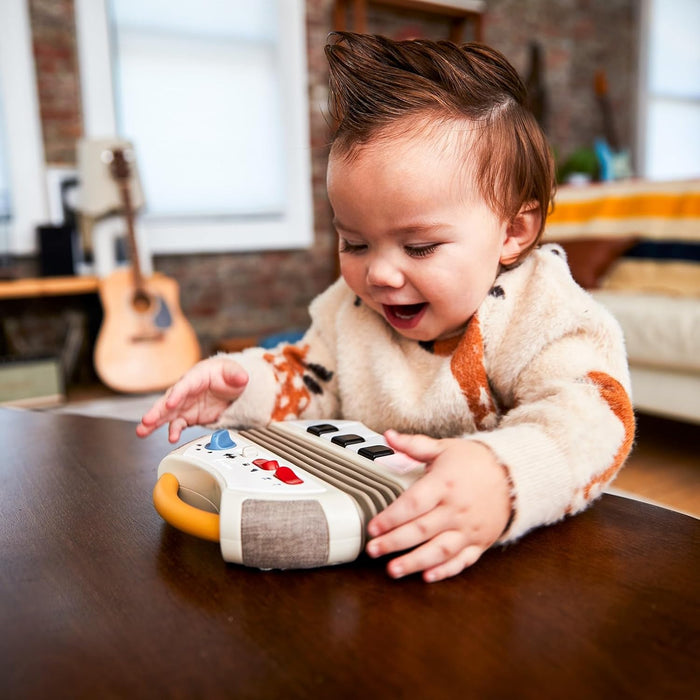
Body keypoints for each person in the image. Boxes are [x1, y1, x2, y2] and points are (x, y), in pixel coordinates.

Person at [137, 32, 635, 582]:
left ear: (513, 231)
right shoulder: (351, 310)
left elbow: (595, 418)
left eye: (419, 247)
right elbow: (310, 376)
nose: (378, 274)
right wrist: (247, 384)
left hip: (504, 564)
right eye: (354, 243)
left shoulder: (543, 314)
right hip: (366, 538)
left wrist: (504, 474)